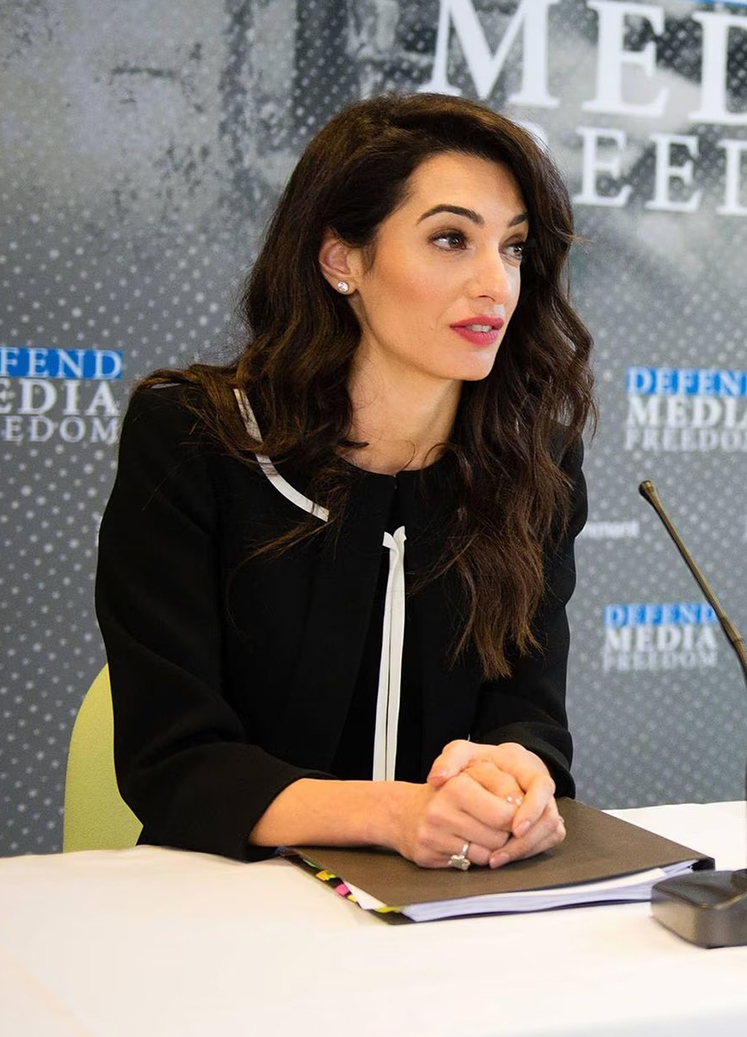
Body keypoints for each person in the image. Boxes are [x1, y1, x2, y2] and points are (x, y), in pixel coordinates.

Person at [95, 93, 593, 869]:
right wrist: (396, 814)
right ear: (341, 260)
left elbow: (527, 715)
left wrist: (519, 780)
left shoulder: (536, 462)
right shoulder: (195, 438)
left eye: (514, 247)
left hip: (455, 898)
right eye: (452, 239)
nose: (496, 284)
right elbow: (175, 759)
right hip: (232, 897)